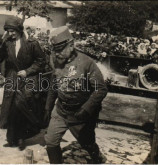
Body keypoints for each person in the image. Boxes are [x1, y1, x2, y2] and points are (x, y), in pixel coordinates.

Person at [44, 26, 108, 164]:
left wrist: (86, 110)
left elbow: (101, 89)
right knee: (50, 141)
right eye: (55, 50)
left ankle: (97, 158)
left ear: (71, 45)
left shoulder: (86, 63)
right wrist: (48, 107)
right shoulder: (54, 60)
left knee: (87, 143)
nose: (57, 54)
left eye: (60, 49)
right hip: (61, 110)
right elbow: (53, 84)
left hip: (80, 113)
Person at [0, 16, 46, 150]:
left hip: (27, 79)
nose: (10, 34)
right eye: (8, 31)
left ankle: (21, 138)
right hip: (12, 78)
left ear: (19, 29)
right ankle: (12, 138)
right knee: (11, 108)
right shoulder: (7, 43)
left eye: (12, 31)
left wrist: (28, 71)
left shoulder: (32, 43)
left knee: (22, 107)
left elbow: (41, 62)